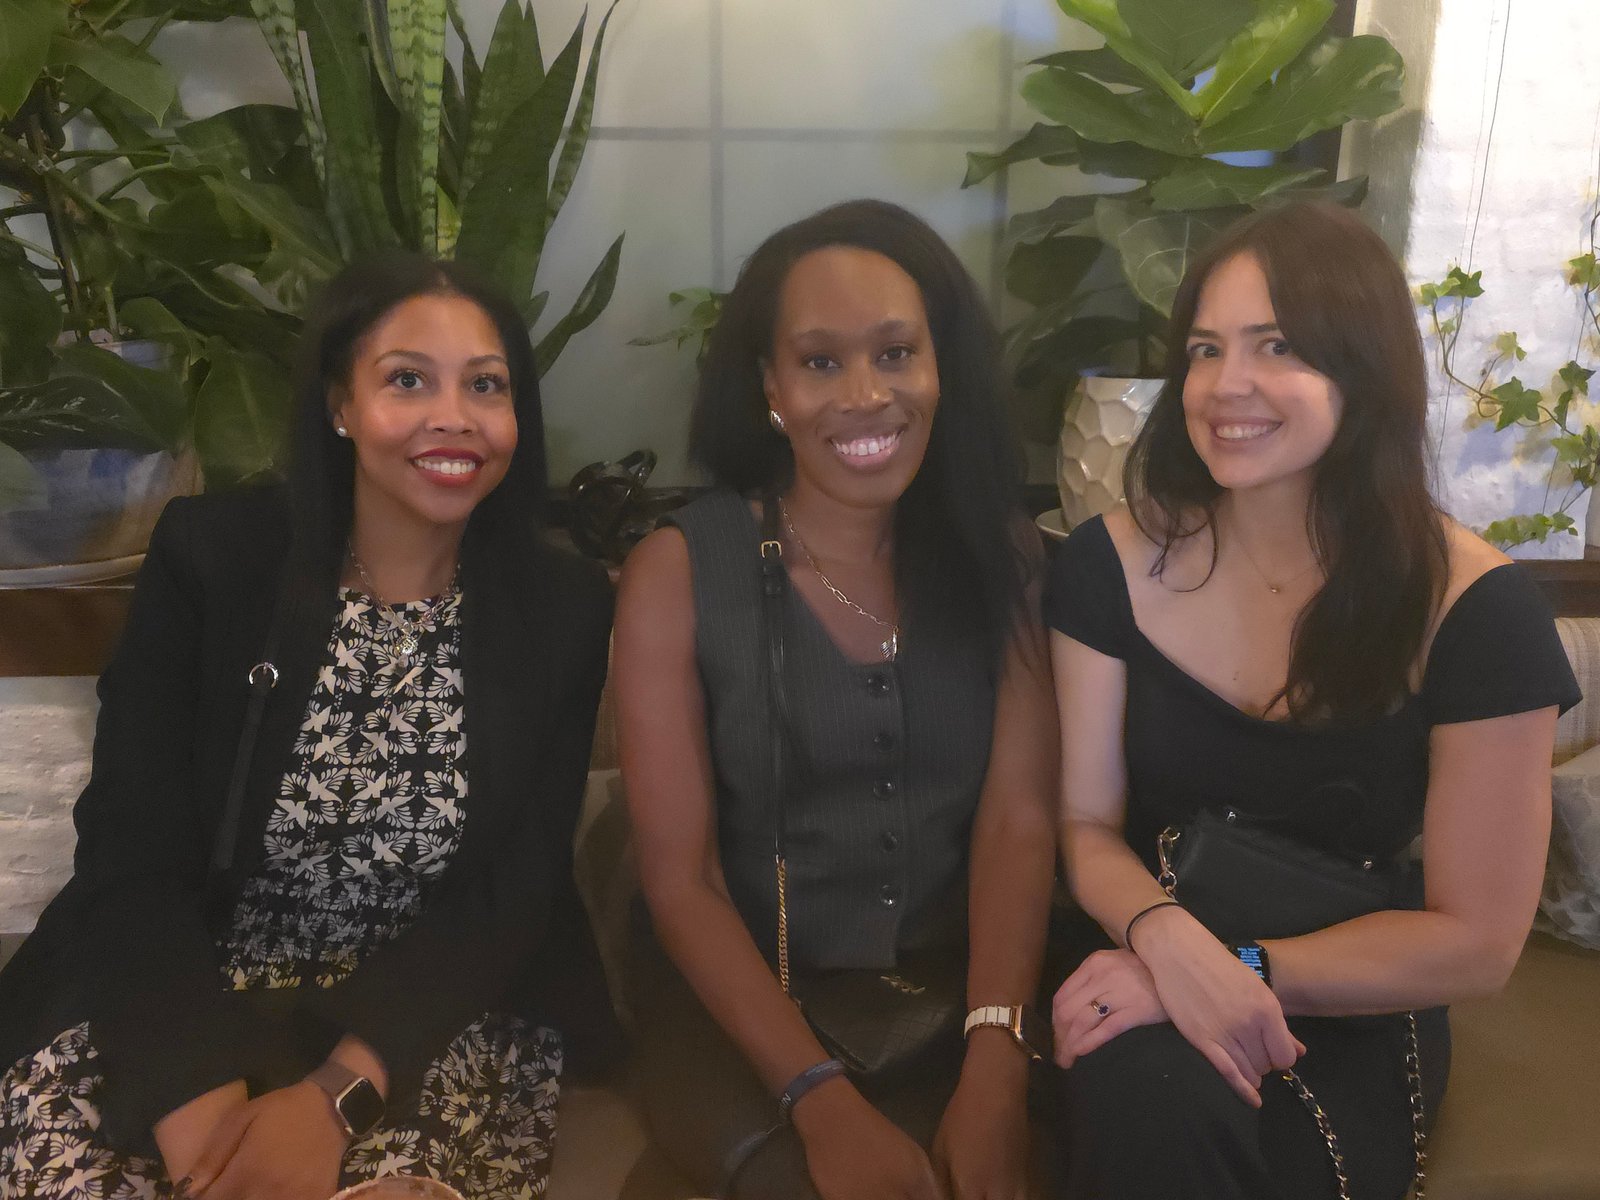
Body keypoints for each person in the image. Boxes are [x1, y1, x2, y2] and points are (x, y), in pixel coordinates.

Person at [0, 252, 616, 1199]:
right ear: (340, 405)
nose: (454, 415)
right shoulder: (218, 561)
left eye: (486, 385)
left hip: (417, 1023)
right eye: (407, 379)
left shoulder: (560, 606)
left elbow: (511, 894)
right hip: (179, 996)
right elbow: (132, 852)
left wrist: (335, 1098)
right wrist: (201, 1116)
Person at [1044, 201, 1581, 1199]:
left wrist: (1239, 968)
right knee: (1148, 1098)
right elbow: (1083, 826)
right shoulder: (1108, 563)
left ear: (1362, 370)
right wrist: (1166, 943)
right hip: (1137, 944)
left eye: (1277, 345)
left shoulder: (1475, 611)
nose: (1225, 384)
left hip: (1348, 992)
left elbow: (1476, 943)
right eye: (1205, 349)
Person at [613, 199, 1058, 1200]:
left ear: (941, 367)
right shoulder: (677, 572)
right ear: (769, 386)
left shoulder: (1008, 558)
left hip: (962, 993)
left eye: (896, 354)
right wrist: (820, 1100)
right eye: (820, 362)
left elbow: (1018, 820)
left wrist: (997, 1058)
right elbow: (680, 879)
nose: (865, 395)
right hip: (742, 1000)